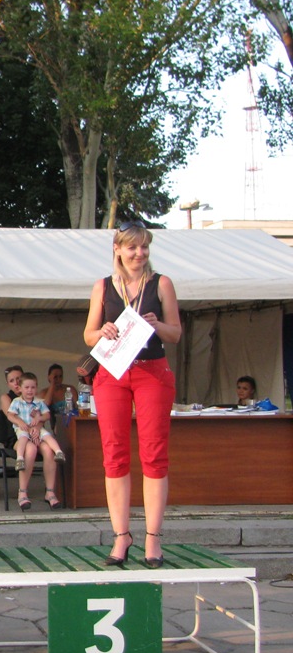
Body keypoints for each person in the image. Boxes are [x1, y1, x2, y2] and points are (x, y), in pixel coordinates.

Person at [83, 220, 181, 568]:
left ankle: (153, 537)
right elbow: (88, 334)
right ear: (118, 250)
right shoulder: (103, 286)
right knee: (114, 454)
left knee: (154, 453)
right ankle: (121, 535)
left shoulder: (161, 283)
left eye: (144, 247)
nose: (139, 253)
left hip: (151, 371)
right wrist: (102, 331)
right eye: (132, 247)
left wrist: (157, 325)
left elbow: (176, 333)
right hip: (113, 372)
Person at [6, 372, 65, 510]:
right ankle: (22, 492)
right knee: (31, 450)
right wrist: (22, 423)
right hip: (21, 436)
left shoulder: (38, 402)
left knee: (48, 450)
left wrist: (37, 426)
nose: (30, 390)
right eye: (26, 387)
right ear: (20, 388)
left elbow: (45, 416)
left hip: (36, 433)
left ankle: (50, 492)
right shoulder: (15, 402)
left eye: (32, 387)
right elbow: (11, 416)